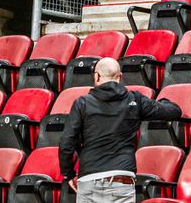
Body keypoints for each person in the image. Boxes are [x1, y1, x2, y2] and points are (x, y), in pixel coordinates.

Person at [57, 58, 182, 203]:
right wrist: (164, 102)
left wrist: (69, 174)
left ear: (97, 76)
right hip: (121, 178)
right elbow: (173, 111)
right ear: (120, 77)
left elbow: (66, 142)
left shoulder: (82, 103)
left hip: (89, 178)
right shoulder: (135, 100)